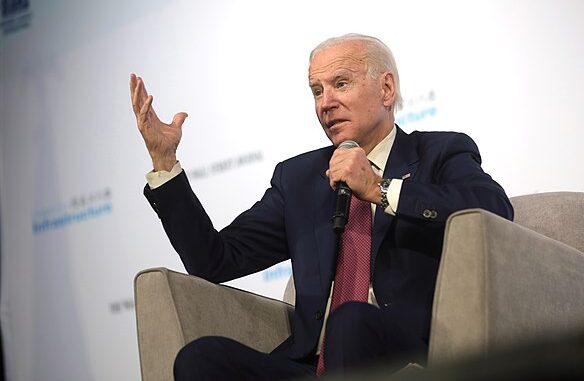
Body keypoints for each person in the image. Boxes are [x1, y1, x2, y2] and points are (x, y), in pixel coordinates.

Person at [130, 33, 513, 380]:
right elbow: (215, 260)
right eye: (316, 90)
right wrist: (164, 164)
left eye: (340, 84)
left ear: (386, 88)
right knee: (201, 358)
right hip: (313, 367)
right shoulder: (299, 178)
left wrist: (379, 189)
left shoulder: (438, 152)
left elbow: (495, 209)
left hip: (400, 350)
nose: (325, 103)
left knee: (350, 322)